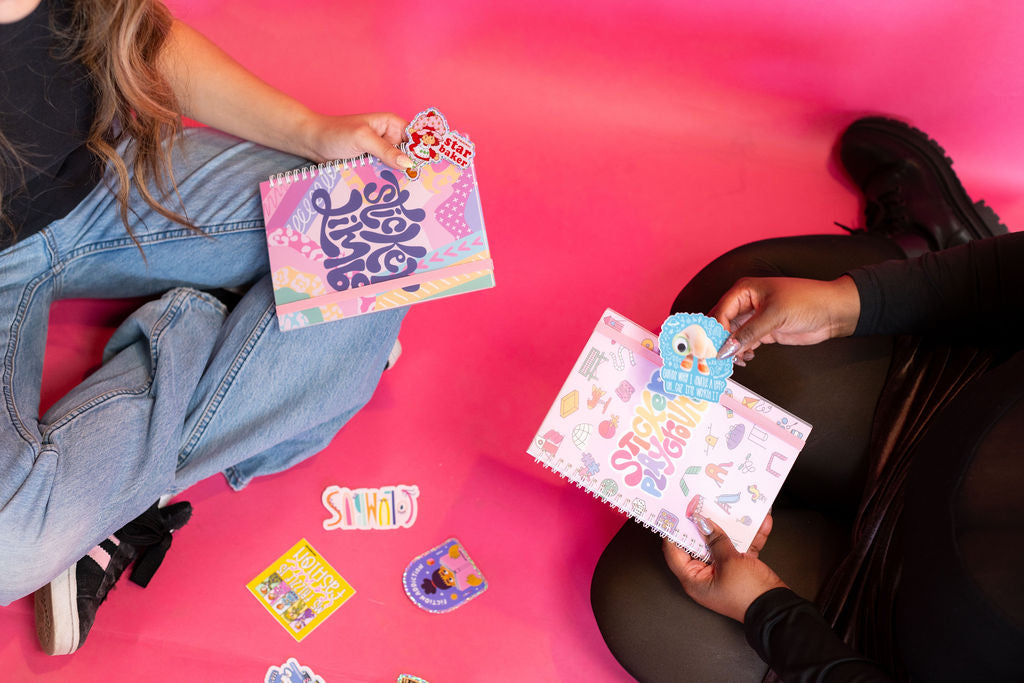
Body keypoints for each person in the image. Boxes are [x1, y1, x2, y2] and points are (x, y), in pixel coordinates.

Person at [1, 0, 414, 655]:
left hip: (109, 180)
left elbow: (141, 38)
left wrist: (312, 133)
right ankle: (216, 333)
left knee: (385, 223)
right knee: (8, 549)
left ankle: (122, 491)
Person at [590, 117, 1024, 681]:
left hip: (881, 641)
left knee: (642, 601)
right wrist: (850, 304)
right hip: (945, 405)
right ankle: (939, 249)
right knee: (735, 303)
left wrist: (767, 610)